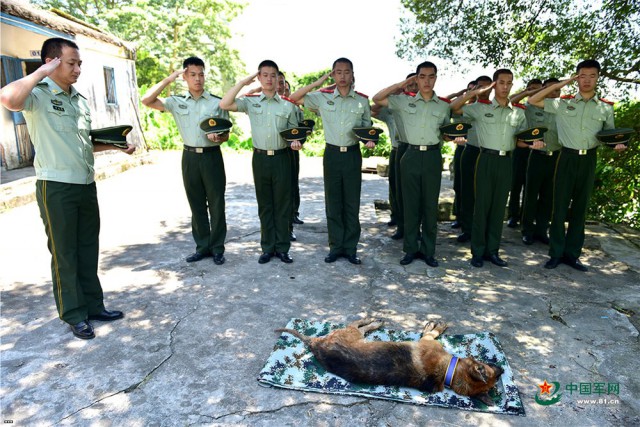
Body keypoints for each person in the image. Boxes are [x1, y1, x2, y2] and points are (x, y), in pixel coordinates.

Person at [0, 38, 135, 339]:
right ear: (51, 62)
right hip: (56, 187)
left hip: (85, 184)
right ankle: (74, 314)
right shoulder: (37, 95)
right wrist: (41, 72)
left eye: (79, 63)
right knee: (64, 253)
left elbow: (84, 142)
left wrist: (115, 147)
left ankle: (93, 306)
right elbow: (7, 98)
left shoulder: (79, 100)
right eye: (71, 63)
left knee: (88, 248)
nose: (77, 69)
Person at [528, 60, 625, 271]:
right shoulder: (563, 103)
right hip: (566, 158)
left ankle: (572, 255)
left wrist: (616, 145)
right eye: (582, 76)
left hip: (589, 159)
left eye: (592, 75)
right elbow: (533, 99)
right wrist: (559, 85)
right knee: (559, 207)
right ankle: (555, 253)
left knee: (580, 209)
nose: (587, 80)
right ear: (576, 78)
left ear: (598, 78)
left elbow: (609, 134)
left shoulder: (605, 107)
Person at [141, 57, 229, 265]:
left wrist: (220, 138)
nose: (198, 79)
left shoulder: (218, 102)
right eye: (192, 74)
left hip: (212, 156)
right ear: (185, 77)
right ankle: (202, 246)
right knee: (196, 203)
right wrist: (167, 80)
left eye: (201, 74)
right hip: (189, 157)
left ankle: (217, 248)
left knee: (217, 204)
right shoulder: (176, 102)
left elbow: (226, 134)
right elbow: (146, 100)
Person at [450, 69, 540, 268]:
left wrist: (532, 144)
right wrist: (474, 92)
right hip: (485, 159)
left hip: (506, 161)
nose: (505, 87)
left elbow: (520, 141)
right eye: (501, 82)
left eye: (509, 83)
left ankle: (493, 251)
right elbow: (454, 109)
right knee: (481, 206)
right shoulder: (480, 108)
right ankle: (478, 252)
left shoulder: (518, 112)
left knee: (498, 207)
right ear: (494, 84)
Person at [289, 58, 373, 265]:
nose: (343, 76)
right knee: (333, 203)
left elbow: (366, 128)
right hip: (332, 154)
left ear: (353, 74)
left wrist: (369, 140)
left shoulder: (362, 101)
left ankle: (351, 248)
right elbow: (293, 97)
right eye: (338, 72)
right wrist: (319, 82)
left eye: (347, 72)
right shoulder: (322, 98)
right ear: (333, 75)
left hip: (353, 154)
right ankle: (336, 247)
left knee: (352, 203)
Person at [220, 60, 299, 264]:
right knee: (265, 205)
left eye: (273, 75)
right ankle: (267, 247)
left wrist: (296, 143)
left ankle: (282, 248)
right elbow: (225, 103)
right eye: (264, 75)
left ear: (278, 78)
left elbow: (294, 134)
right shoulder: (251, 101)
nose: (269, 79)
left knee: (282, 205)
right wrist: (244, 82)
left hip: (282, 158)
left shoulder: (288, 106)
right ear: (259, 77)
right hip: (260, 158)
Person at [373, 62, 450, 267]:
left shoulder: (443, 106)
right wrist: (403, 83)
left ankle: (428, 251)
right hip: (410, 154)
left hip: (433, 156)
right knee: (410, 206)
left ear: (436, 78)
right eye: (422, 76)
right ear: (416, 78)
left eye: (431, 76)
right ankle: (410, 249)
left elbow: (446, 133)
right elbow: (377, 99)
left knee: (429, 206)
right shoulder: (403, 102)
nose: (426, 81)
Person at [520, 78, 561, 246]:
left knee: (548, 196)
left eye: (557, 89)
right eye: (550, 89)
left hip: (557, 157)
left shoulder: (565, 109)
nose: (554, 92)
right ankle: (527, 231)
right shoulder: (531, 107)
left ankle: (542, 230)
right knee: (531, 194)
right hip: (537, 155)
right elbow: (512, 102)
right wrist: (530, 92)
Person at [456, 75, 493, 243]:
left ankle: (484, 229)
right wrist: (469, 94)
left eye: (487, 87)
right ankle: (467, 228)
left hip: (488, 153)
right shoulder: (469, 108)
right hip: (470, 152)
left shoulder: (496, 107)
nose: (484, 90)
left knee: (486, 194)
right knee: (467, 192)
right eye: (480, 87)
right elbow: (453, 109)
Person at [506, 78, 543, 228]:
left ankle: (527, 217)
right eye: (532, 89)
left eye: (539, 89)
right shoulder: (521, 107)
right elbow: (509, 101)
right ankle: (513, 216)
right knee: (515, 185)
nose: (536, 91)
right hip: (519, 150)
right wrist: (526, 92)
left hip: (537, 151)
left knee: (532, 187)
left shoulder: (545, 107)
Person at [447, 79, 477, 230]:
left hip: (479, 151)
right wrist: (459, 95)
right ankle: (460, 217)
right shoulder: (460, 108)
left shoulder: (483, 109)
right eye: (470, 90)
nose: (473, 93)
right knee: (460, 186)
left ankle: (474, 222)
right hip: (462, 150)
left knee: (476, 189)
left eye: (476, 90)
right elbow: (447, 104)